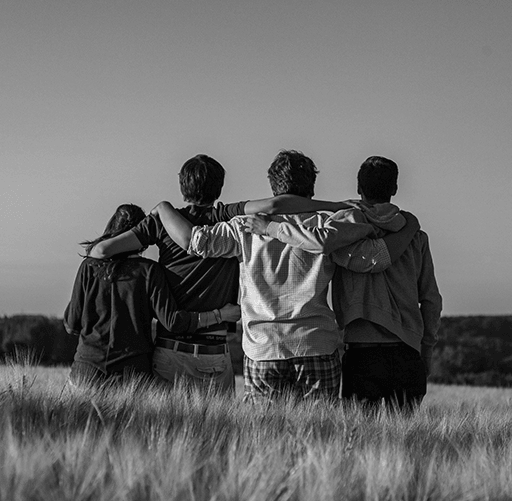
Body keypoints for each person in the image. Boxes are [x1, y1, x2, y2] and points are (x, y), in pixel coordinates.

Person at [151, 150, 420, 402]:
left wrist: (163, 208)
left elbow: (196, 242)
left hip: (263, 349)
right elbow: (372, 259)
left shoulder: (244, 227)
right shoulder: (326, 226)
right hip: (316, 345)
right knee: (320, 431)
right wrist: (408, 228)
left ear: (273, 186)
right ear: (311, 188)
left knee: (264, 433)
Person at [88, 155, 351, 392]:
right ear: (220, 187)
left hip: (173, 348)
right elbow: (274, 205)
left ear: (182, 186)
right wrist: (336, 205)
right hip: (218, 350)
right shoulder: (225, 216)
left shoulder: (162, 221)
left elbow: (101, 251)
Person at [246, 156, 442, 410]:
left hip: (362, 353)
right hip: (408, 352)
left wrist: (271, 228)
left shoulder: (343, 230)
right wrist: (426, 351)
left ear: (359, 188)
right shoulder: (416, 237)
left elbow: (331, 246)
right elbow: (431, 299)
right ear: (394, 188)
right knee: (407, 433)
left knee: (358, 432)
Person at [64, 203, 240, 388]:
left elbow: (71, 324)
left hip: (86, 370)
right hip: (132, 374)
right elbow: (173, 322)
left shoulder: (89, 267)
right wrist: (220, 315)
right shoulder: (149, 271)